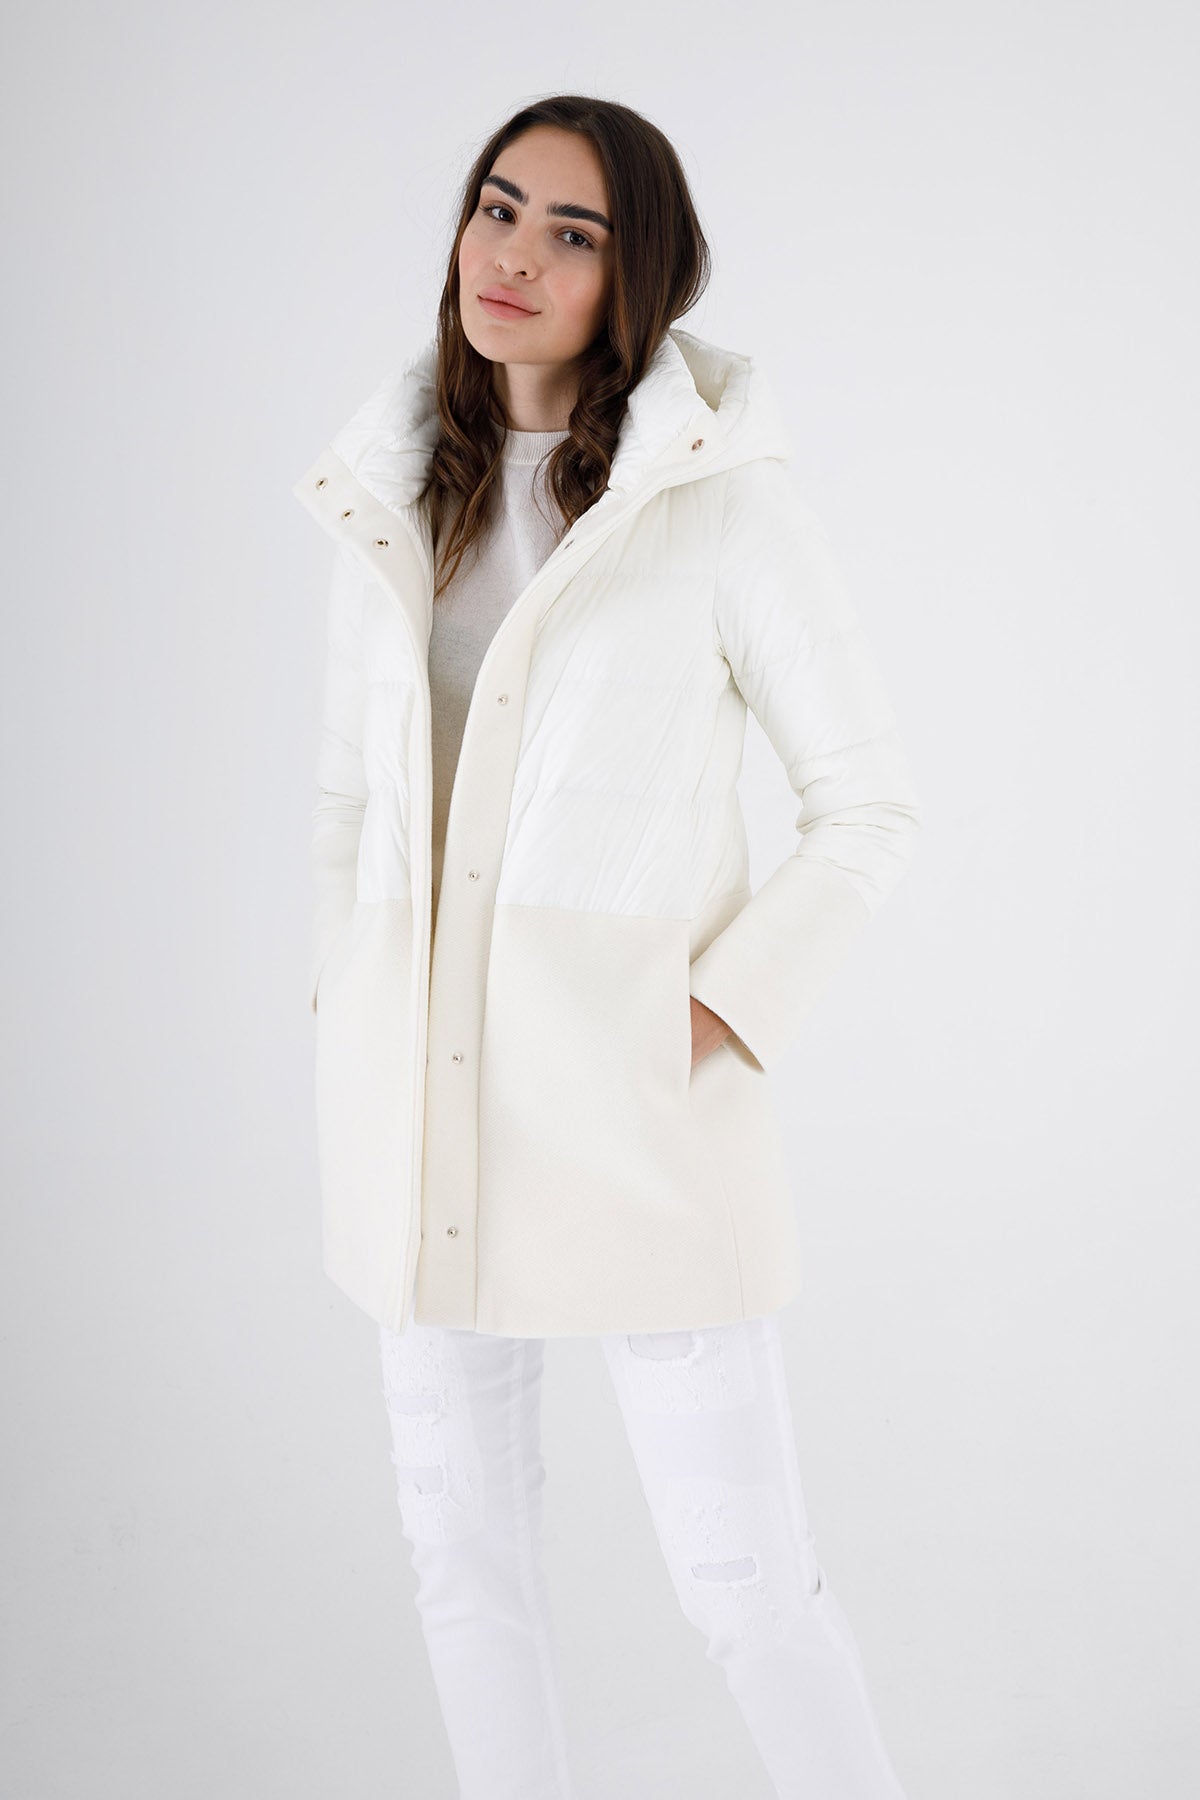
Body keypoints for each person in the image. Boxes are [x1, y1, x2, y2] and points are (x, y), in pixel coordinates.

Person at [294, 92, 921, 1800]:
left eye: (573, 235)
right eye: (499, 207)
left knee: (747, 1588)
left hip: (641, 1128)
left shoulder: (723, 511)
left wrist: (702, 1015)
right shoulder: (388, 496)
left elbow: (868, 807)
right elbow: (347, 797)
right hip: (421, 1121)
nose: (514, 256)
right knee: (463, 1568)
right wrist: (351, 1000)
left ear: (634, 282)